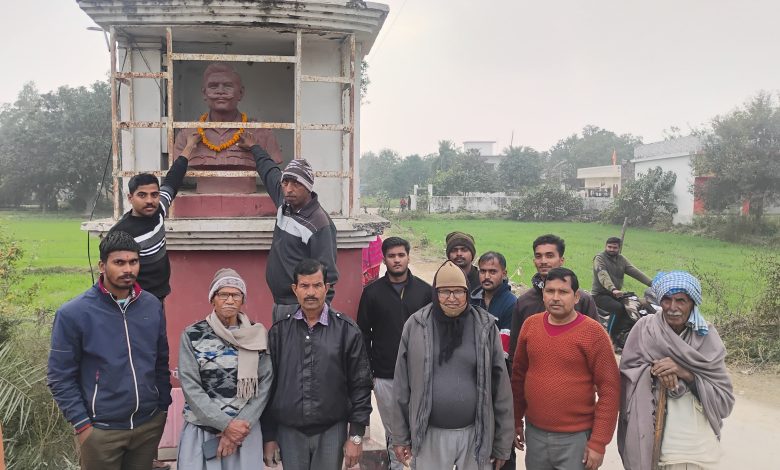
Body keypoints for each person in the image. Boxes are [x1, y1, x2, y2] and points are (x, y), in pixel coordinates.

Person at [47, 231, 171, 470]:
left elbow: (160, 361)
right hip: (101, 431)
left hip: (148, 425)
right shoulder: (74, 313)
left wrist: (162, 407)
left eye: (133, 262)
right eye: (119, 262)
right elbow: (59, 376)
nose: (128, 269)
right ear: (102, 266)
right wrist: (82, 424)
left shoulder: (151, 305)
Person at [391, 260, 514, 470]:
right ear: (435, 293)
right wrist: (400, 437)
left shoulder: (485, 326)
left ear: (467, 293)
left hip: (475, 435)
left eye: (458, 291)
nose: (452, 298)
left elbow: (500, 388)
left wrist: (502, 443)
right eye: (444, 292)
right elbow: (401, 386)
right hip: (429, 435)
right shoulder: (416, 325)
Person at [261, 259, 372, 470]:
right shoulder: (279, 331)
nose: (311, 292)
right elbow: (268, 387)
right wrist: (269, 436)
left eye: (317, 285)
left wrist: (356, 436)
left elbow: (361, 385)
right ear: (295, 289)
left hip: (332, 430)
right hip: (289, 431)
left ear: (326, 288)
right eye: (304, 286)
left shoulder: (347, 330)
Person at [618, 271, 734, 470]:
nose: (673, 307)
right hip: (648, 425)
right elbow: (628, 372)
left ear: (692, 303)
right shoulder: (645, 328)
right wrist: (655, 370)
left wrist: (685, 373)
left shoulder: (705, 336)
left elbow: (723, 398)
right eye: (667, 300)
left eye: (681, 301)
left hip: (689, 439)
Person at [512, 267, 620, 470]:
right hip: (535, 435)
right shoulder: (530, 326)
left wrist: (598, 442)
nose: (555, 297)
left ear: (576, 297)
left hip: (576, 439)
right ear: (543, 294)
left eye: (563, 292)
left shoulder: (593, 333)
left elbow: (610, 389)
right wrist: (516, 419)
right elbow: (518, 376)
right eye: (549, 291)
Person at [177, 268, 273, 469]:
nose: (230, 300)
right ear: (212, 299)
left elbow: (265, 384)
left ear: (243, 300)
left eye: (236, 295)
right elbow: (191, 386)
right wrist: (225, 425)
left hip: (244, 431)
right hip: (202, 430)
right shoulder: (192, 335)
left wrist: (238, 428)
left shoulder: (257, 335)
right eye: (223, 294)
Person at [241, 134, 339, 321]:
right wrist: (254, 146)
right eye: (285, 183)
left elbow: (328, 276)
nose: (289, 189)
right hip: (280, 303)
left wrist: (315, 317)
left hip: (302, 308)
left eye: (296, 184)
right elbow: (269, 171)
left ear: (308, 187)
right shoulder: (285, 202)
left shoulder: (319, 224)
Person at [357, 237, 432, 470]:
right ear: (384, 259)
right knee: (394, 432)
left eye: (401, 255)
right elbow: (363, 334)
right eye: (391, 256)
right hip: (385, 375)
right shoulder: (372, 293)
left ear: (408, 257)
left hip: (420, 375)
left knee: (422, 429)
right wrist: (370, 372)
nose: (397, 260)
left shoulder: (425, 292)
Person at [109, 132, 200, 302]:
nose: (150, 200)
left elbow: (174, 177)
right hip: (136, 301)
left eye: (154, 194)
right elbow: (112, 275)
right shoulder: (121, 234)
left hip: (160, 296)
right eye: (142, 195)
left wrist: (190, 144)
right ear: (130, 198)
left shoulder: (159, 210)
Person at [173, 62, 283, 194]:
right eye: (213, 86)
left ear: (241, 93)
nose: (220, 91)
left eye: (228, 86)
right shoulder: (187, 134)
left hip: (246, 191)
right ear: (204, 93)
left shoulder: (261, 132)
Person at [509, 234, 598, 366]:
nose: (543, 261)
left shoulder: (582, 300)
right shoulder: (524, 302)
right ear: (534, 261)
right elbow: (515, 352)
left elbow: (597, 347)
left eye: (550, 256)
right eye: (538, 256)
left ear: (561, 260)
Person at [591, 236, 652, 349]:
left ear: (619, 248)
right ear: (605, 246)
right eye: (609, 247)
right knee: (617, 308)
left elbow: (635, 272)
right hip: (600, 294)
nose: (611, 249)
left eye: (614, 247)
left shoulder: (621, 259)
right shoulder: (599, 258)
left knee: (633, 306)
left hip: (616, 294)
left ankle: (622, 336)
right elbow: (602, 275)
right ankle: (608, 339)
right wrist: (612, 288)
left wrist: (653, 283)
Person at [471, 251, 516, 360]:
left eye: (492, 272)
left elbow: (503, 350)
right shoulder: (472, 299)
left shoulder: (511, 304)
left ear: (504, 274)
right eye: (483, 271)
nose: (486, 276)